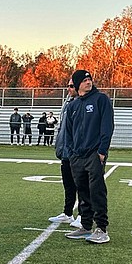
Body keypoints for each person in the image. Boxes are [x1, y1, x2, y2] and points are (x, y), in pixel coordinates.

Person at [60, 69, 113, 244]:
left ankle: (101, 229)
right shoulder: (73, 105)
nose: (88, 82)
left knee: (96, 190)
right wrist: (71, 153)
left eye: (90, 79)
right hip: (77, 155)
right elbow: (68, 132)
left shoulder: (101, 100)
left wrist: (102, 151)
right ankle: (85, 225)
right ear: (77, 84)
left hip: (94, 153)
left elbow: (107, 127)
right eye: (84, 80)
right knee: (82, 191)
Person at [47, 84, 83, 227]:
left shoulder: (82, 103)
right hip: (65, 151)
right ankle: (68, 213)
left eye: (72, 86)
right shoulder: (68, 102)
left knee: (81, 185)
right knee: (68, 185)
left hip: (75, 152)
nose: (69, 88)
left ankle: (82, 215)